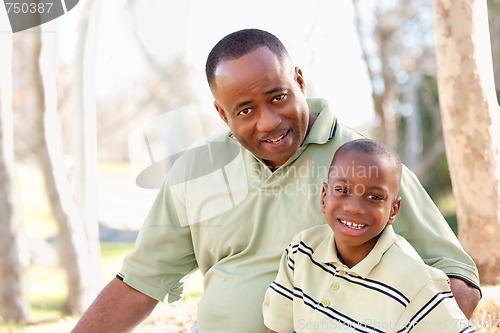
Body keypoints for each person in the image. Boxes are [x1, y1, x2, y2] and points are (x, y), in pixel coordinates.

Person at [71, 28, 481, 333]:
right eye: (245, 110)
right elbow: (139, 282)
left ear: (299, 81)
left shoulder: (365, 166)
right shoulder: (196, 169)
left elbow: (458, 276)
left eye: (278, 97)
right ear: (221, 113)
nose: (269, 122)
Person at [262, 139, 476, 333]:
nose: (355, 208)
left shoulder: (414, 281)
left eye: (374, 197)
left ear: (393, 210)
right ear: (325, 197)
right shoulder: (301, 251)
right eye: (343, 190)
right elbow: (278, 328)